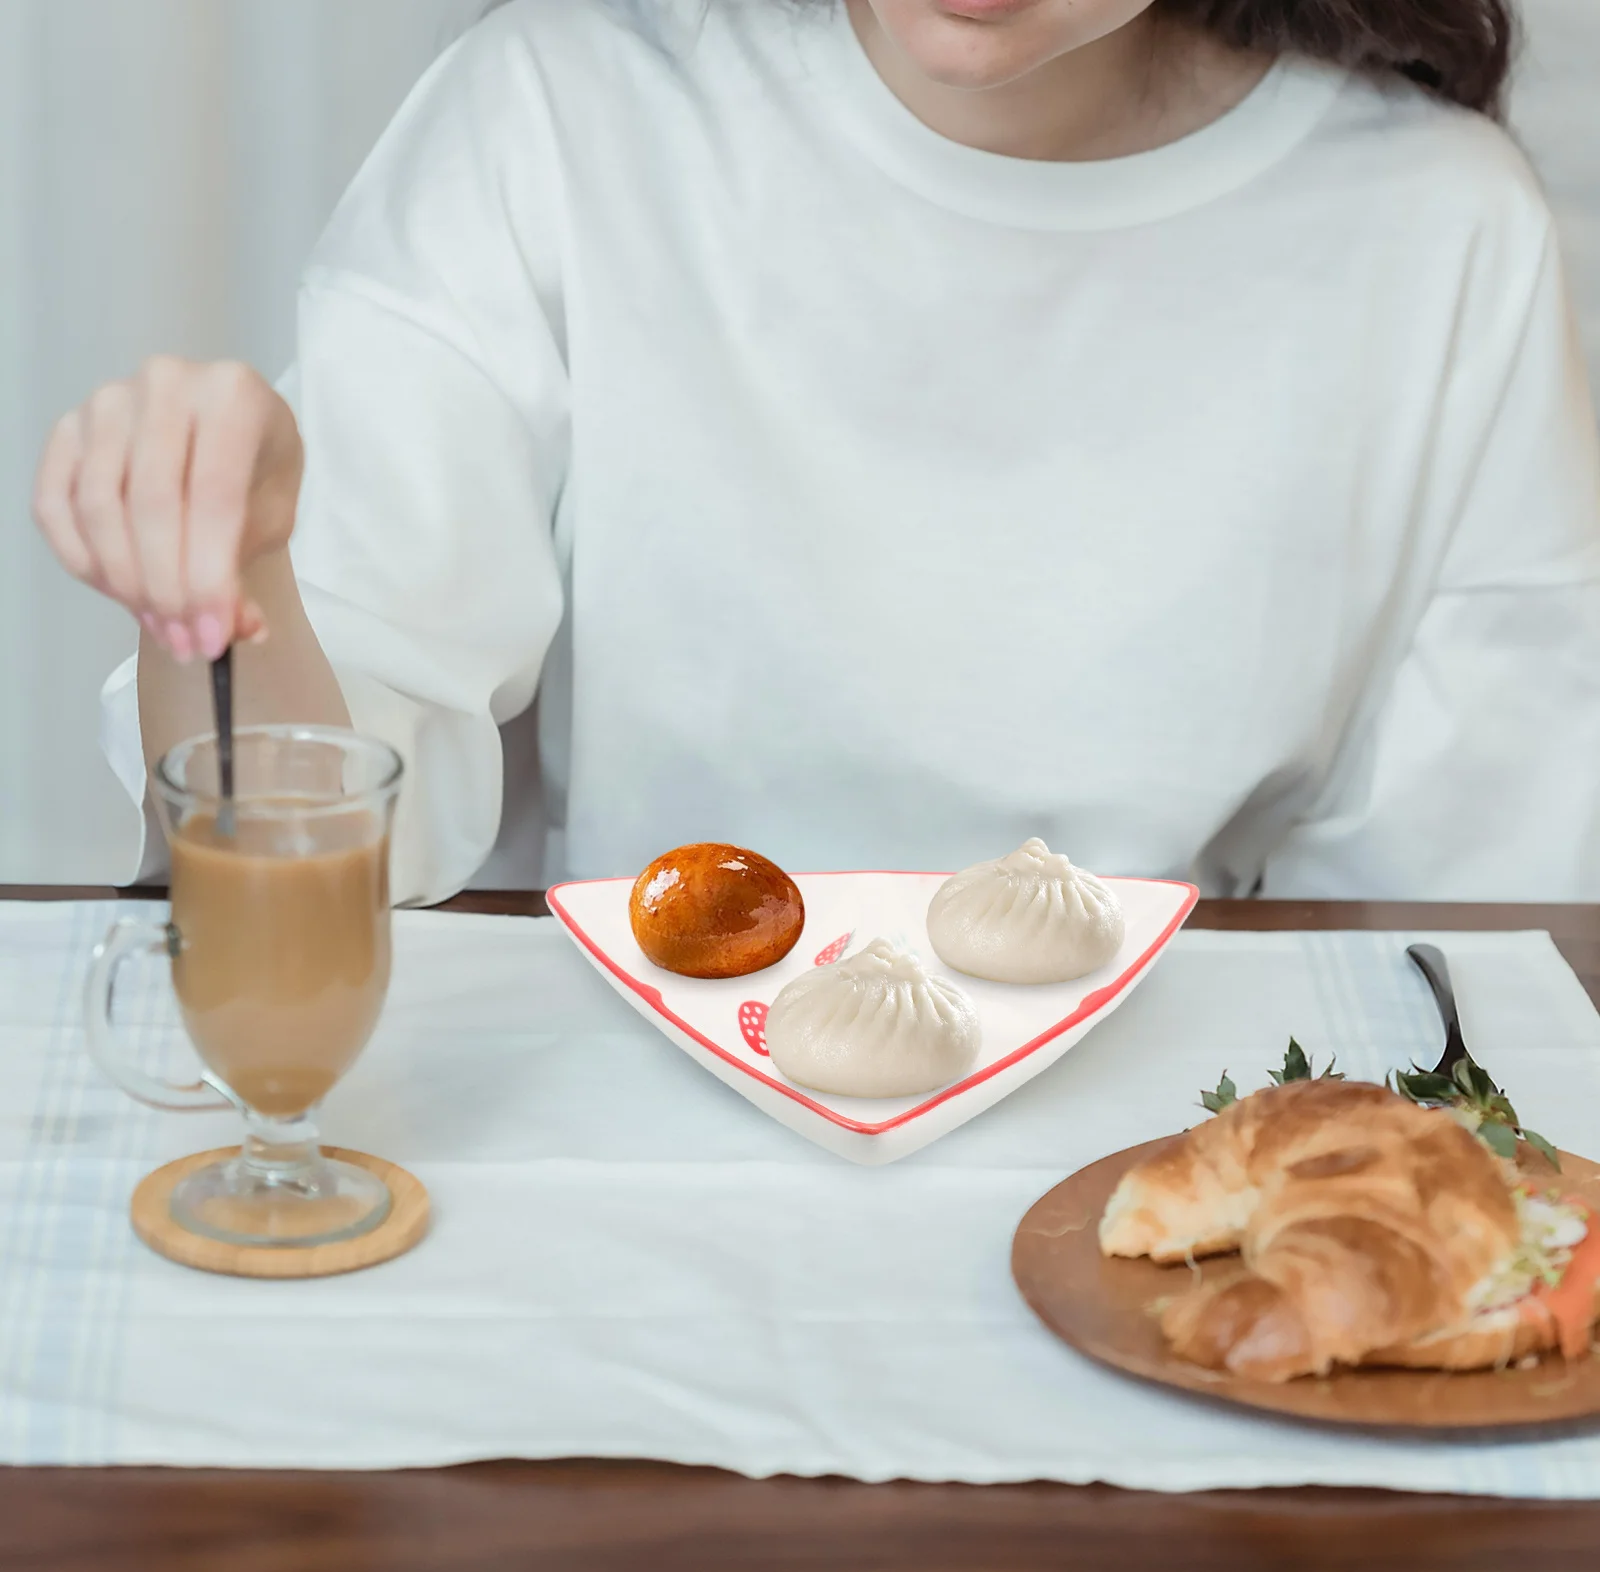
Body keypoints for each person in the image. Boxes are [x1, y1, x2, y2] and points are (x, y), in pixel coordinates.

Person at [31, 0, 1600, 906]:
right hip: (628, 1151)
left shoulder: (1440, 233)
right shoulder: (574, 108)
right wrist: (233, 589)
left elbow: (1464, 926)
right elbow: (305, 840)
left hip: (1156, 1186)